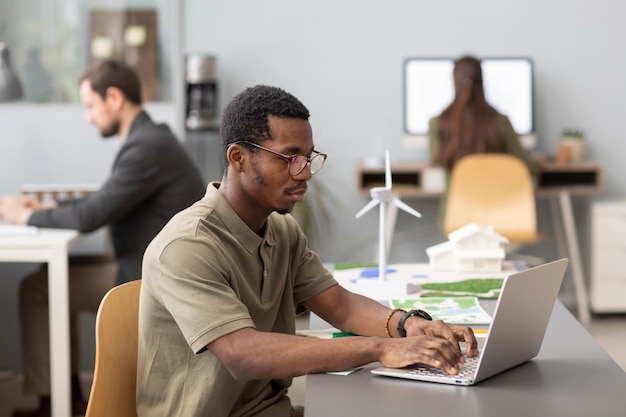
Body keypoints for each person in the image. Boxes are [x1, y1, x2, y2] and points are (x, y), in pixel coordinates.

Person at [137, 84, 478, 417]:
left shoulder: (282, 231)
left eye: (308, 157)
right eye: (289, 158)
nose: (304, 173)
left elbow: (340, 305)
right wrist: (382, 348)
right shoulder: (186, 245)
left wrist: (407, 325)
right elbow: (242, 354)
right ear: (238, 158)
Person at [0, 59, 205, 417]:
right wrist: (46, 206)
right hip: (144, 263)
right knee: (49, 280)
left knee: (37, 289)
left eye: (90, 106)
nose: (88, 117)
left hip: (150, 278)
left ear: (114, 98)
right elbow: (105, 199)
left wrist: (26, 215)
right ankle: (65, 396)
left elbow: (92, 215)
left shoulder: (146, 147)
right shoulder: (151, 138)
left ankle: (55, 402)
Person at [428, 55, 539, 229]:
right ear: (482, 82)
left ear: (453, 81)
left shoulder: (437, 124)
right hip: (496, 216)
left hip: (455, 217)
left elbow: (437, 160)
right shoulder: (499, 121)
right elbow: (527, 168)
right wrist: (541, 163)